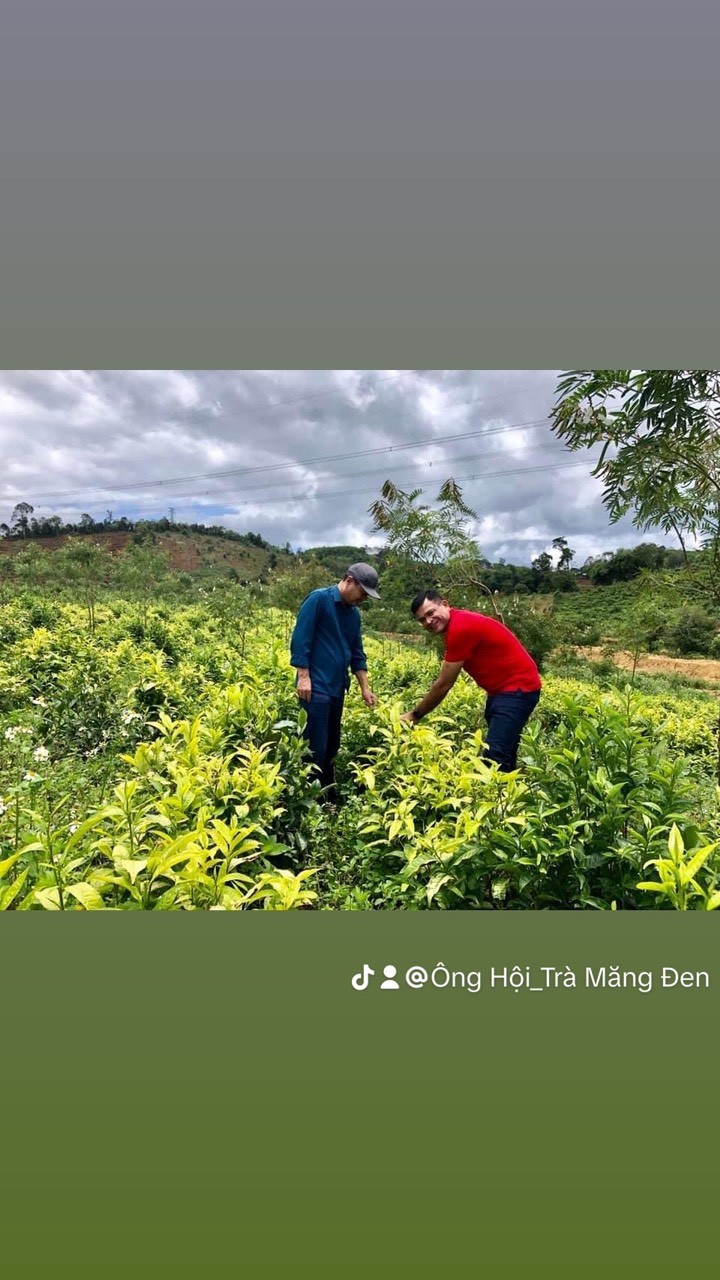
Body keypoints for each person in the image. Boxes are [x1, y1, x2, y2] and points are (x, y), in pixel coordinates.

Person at [400, 591, 541, 772]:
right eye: (422, 620)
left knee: (494, 757)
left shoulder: (460, 628)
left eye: (431, 613)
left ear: (445, 604)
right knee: (504, 753)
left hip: (518, 690)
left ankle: (496, 797)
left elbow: (444, 684)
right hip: (501, 692)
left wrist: (415, 715)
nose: (428, 621)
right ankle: (509, 796)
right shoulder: (458, 623)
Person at [290, 562, 380, 801]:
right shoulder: (319, 600)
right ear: (349, 580)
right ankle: (310, 800)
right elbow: (301, 638)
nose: (363, 599)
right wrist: (304, 677)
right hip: (315, 688)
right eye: (362, 592)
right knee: (315, 747)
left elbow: (357, 652)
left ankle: (329, 793)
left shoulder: (354, 614)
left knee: (332, 745)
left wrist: (365, 688)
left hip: (337, 688)